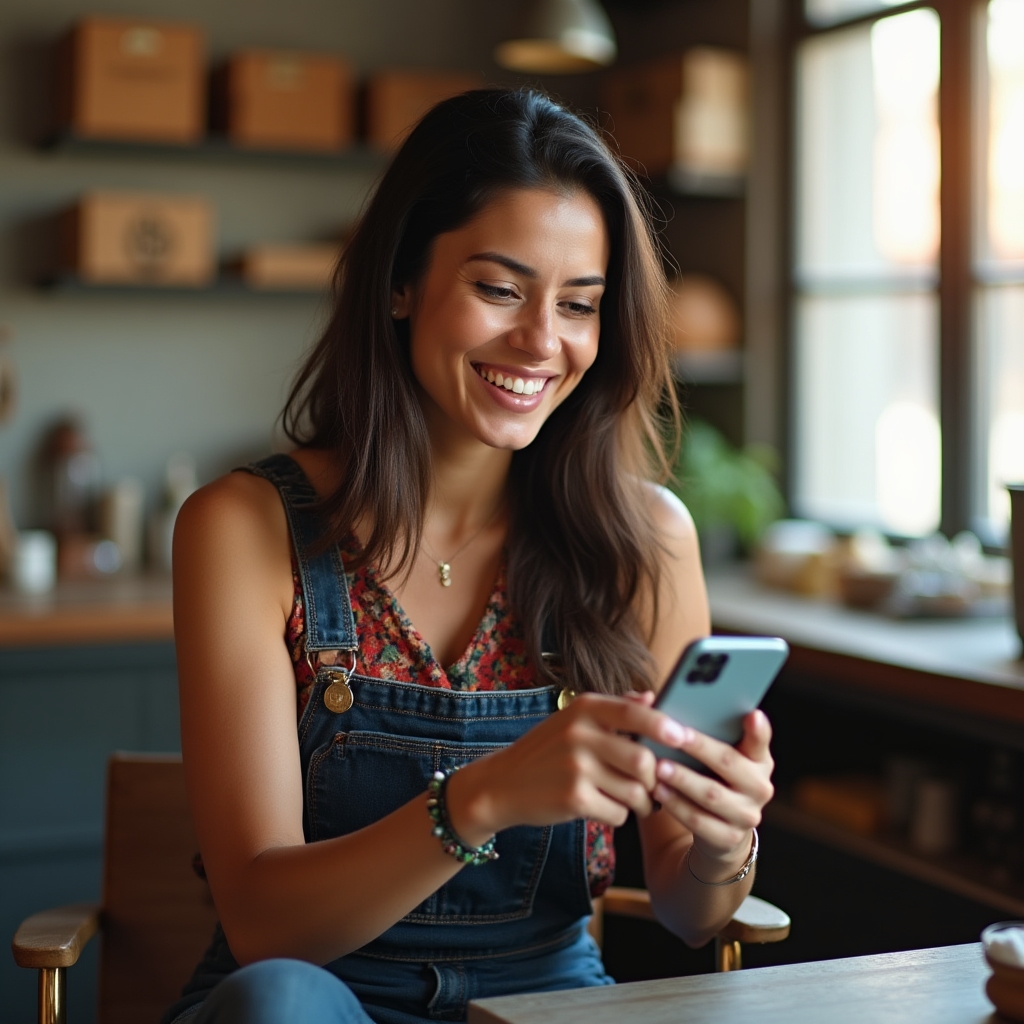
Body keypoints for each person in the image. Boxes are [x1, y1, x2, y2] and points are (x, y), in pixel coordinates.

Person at [166, 88, 775, 1024]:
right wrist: (481, 799)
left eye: (580, 304)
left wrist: (721, 848)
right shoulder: (245, 528)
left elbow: (691, 914)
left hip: (547, 999)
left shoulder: (646, 543)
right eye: (499, 288)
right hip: (313, 1001)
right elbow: (264, 929)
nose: (542, 341)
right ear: (402, 283)